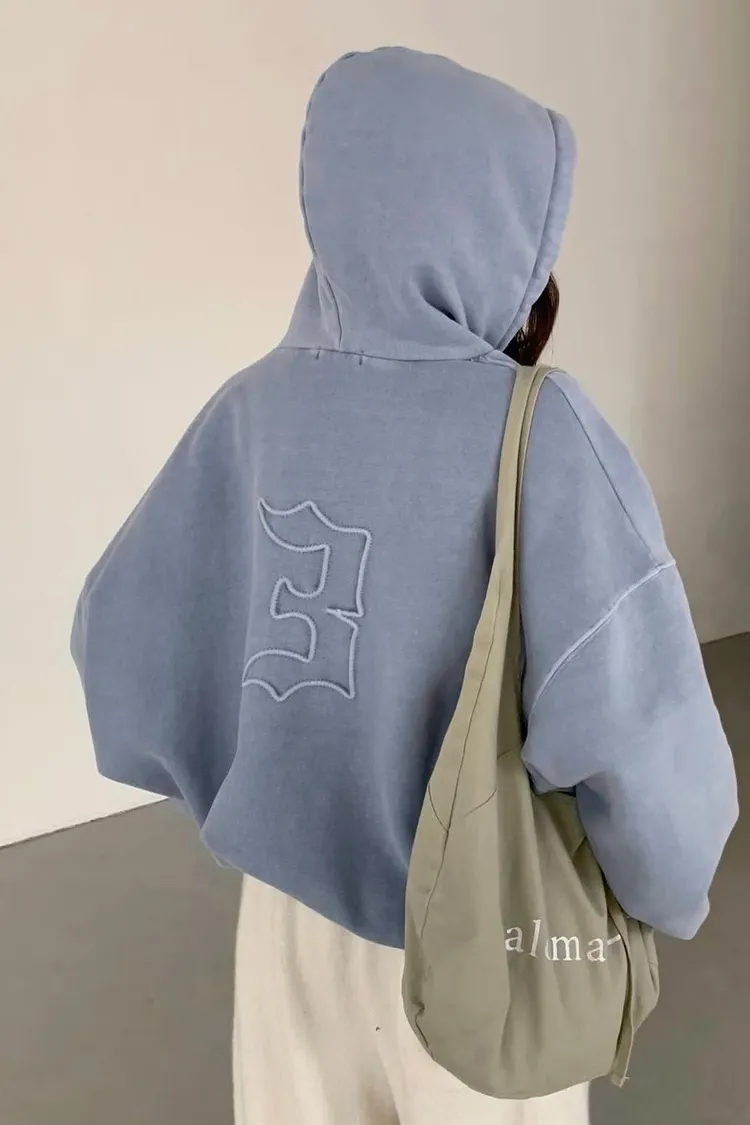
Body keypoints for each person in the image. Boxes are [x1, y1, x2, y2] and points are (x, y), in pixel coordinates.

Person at [71, 47, 738, 1125]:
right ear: (509, 233)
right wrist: (666, 886)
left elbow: (118, 638)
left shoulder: (250, 412)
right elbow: (643, 732)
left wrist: (250, 781)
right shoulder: (545, 439)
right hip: (481, 923)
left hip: (284, 931)